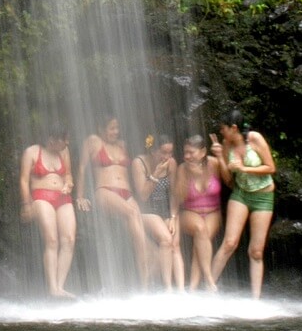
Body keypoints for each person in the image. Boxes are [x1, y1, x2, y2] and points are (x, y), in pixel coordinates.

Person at [209, 108, 276, 299]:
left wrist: (244, 168)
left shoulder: (255, 139)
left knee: (255, 251)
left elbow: (271, 167)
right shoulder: (226, 145)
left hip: (263, 197)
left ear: (234, 128)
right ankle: (209, 285)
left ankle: (255, 299)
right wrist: (221, 157)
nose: (222, 132)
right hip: (240, 194)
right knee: (229, 242)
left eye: (224, 129)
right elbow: (229, 180)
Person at [76, 116, 149, 288]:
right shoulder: (93, 141)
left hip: (126, 193)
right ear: (101, 128)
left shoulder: (122, 145)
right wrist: (79, 196)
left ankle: (145, 285)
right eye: (111, 128)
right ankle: (143, 282)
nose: (115, 132)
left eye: (117, 128)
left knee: (138, 224)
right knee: (132, 214)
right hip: (105, 190)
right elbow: (81, 167)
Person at [19, 124, 76, 298]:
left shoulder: (64, 152)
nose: (67, 142)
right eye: (64, 139)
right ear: (52, 139)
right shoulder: (31, 152)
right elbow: (23, 180)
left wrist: (69, 184)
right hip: (41, 196)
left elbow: (68, 175)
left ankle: (60, 286)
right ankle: (52, 288)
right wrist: (26, 204)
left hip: (63, 197)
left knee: (69, 239)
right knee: (52, 240)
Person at [173, 134, 229, 291]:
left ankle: (192, 287)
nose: (187, 156)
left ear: (203, 152)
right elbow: (178, 197)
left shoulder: (214, 164)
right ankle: (209, 280)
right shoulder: (182, 168)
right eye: (185, 152)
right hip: (189, 213)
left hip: (213, 212)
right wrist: (189, 176)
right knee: (200, 230)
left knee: (201, 240)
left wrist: (221, 157)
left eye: (191, 152)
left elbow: (229, 181)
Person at [131, 134, 184, 290]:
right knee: (166, 239)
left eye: (170, 152)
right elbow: (143, 195)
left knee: (175, 243)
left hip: (166, 210)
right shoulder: (139, 163)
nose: (167, 156)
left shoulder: (171, 163)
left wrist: (173, 217)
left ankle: (180, 290)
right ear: (153, 151)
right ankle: (166, 286)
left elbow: (174, 194)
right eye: (163, 152)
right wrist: (155, 174)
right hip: (146, 210)